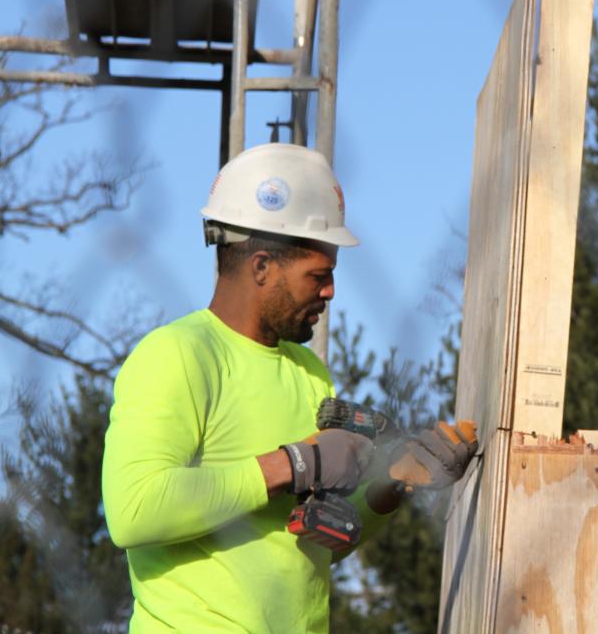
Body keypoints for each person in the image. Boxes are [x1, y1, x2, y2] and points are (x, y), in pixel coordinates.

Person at [101, 143, 477, 633]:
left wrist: (392, 481)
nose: (330, 292)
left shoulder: (307, 371)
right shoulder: (178, 354)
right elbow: (133, 510)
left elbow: (319, 542)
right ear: (262, 267)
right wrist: (295, 463)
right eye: (317, 276)